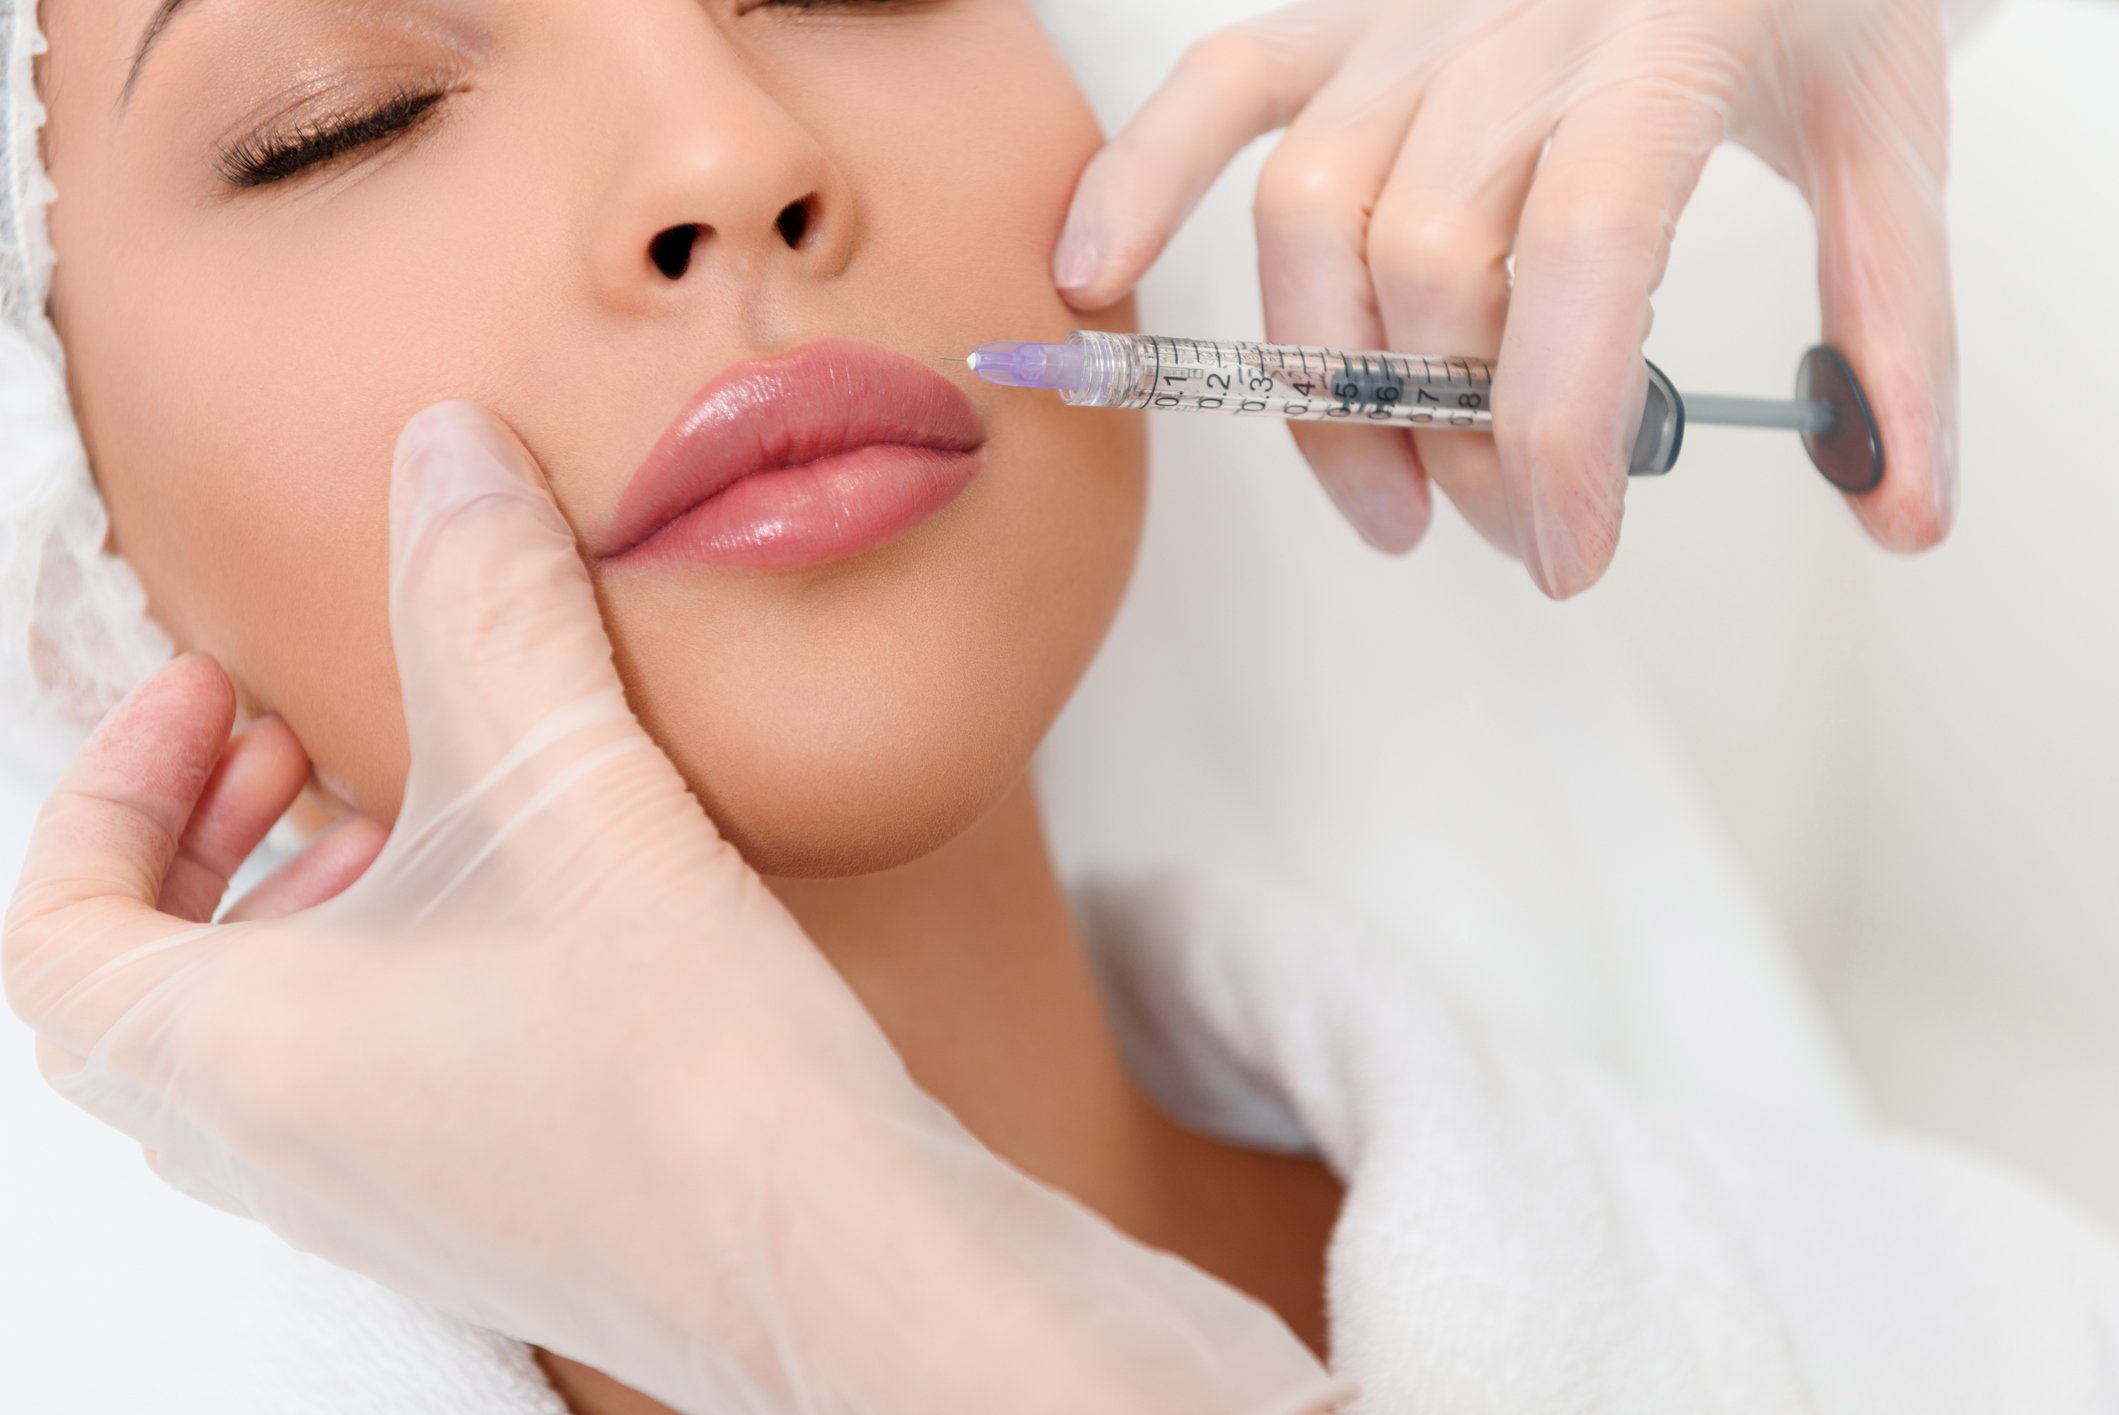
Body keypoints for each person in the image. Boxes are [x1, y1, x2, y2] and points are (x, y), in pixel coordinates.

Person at [9, 2, 2111, 1414]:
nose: (729, 151)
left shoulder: (1978, 1332)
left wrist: (847, 1268)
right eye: (341, 116)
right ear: (66, 524)